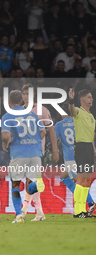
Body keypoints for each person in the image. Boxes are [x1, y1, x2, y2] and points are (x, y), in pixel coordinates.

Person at [1, 90, 46, 223]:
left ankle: (19, 215)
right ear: (22, 101)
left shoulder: (8, 116)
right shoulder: (32, 115)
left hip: (19, 154)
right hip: (35, 154)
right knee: (30, 184)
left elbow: (5, 135)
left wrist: (6, 143)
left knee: (15, 184)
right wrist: (35, 142)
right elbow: (43, 132)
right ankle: (38, 184)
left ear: (9, 102)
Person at [21, 83, 59, 221]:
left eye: (28, 94)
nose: (25, 97)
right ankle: (39, 212)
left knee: (31, 180)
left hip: (37, 151)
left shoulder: (42, 110)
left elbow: (51, 131)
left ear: (33, 95)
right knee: (31, 182)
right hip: (23, 152)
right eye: (24, 94)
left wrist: (55, 150)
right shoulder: (19, 111)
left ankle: (23, 212)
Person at [55, 104, 96, 215]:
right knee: (64, 177)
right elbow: (91, 134)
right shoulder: (79, 121)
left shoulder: (59, 125)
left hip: (71, 158)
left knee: (79, 182)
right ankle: (85, 205)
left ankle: (89, 203)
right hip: (83, 154)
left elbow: (53, 138)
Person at [69, 89, 96, 218]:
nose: (92, 99)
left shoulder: (91, 116)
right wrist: (71, 100)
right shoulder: (78, 112)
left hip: (89, 149)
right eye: (89, 97)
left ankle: (83, 211)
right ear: (82, 99)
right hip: (81, 148)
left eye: (91, 97)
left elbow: (92, 135)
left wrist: (94, 149)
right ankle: (77, 211)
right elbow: (72, 110)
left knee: (87, 180)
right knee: (81, 179)